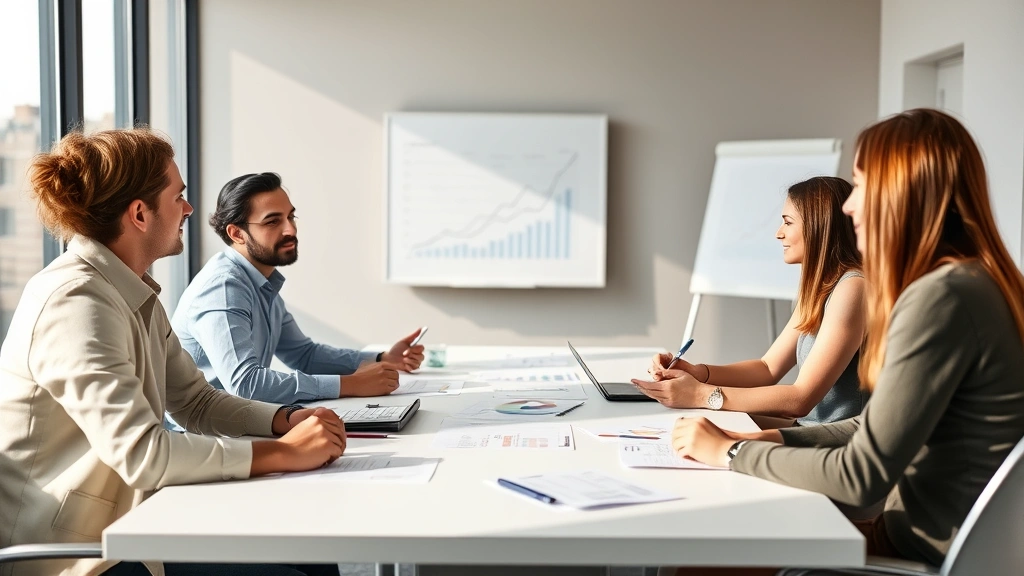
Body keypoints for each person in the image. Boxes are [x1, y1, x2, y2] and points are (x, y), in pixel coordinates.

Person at [671, 109, 1024, 570]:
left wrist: (732, 452)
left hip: (917, 550)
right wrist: (764, 438)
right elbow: (870, 426)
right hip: (917, 535)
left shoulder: (941, 298)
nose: (850, 205)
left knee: (698, 561)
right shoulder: (980, 283)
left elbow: (862, 476)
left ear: (901, 193)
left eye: (860, 186)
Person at [0, 129, 347, 576]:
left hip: (133, 523)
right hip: (77, 557)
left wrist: (284, 420)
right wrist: (283, 453)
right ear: (140, 214)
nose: (188, 209)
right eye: (178, 196)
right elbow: (143, 454)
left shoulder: (130, 289)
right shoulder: (75, 302)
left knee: (311, 553)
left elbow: (195, 401)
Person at [171, 172, 424, 405]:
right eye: (272, 222)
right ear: (237, 233)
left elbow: (304, 355)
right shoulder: (224, 288)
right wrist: (350, 384)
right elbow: (246, 384)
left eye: (290, 216)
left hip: (239, 425)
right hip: (201, 438)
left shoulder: (260, 280)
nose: (290, 229)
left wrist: (381, 359)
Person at [633, 176, 868, 426]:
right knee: (684, 425)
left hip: (836, 444)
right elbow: (767, 369)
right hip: (807, 428)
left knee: (698, 428)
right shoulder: (820, 287)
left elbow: (801, 398)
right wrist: (697, 373)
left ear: (819, 226)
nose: (779, 234)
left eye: (787, 222)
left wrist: (700, 394)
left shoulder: (853, 288)